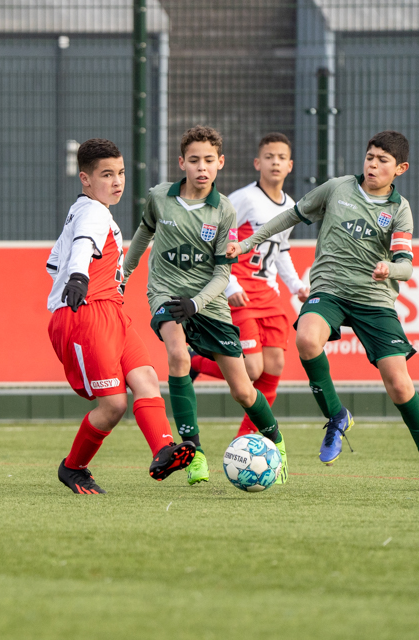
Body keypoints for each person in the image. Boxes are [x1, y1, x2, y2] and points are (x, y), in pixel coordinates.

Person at [226, 130, 419, 492]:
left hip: (374, 300)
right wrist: (249, 242)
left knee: (399, 384)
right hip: (329, 289)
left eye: (383, 160)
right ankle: (336, 416)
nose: (373, 164)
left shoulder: (399, 210)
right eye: (370, 157)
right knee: (306, 339)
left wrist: (390, 269)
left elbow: (407, 266)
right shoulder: (337, 188)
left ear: (400, 169)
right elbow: (289, 216)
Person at [122, 125, 288, 486]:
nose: (202, 167)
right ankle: (194, 454)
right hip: (165, 292)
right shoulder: (159, 197)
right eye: (194, 160)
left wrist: (196, 304)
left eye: (209, 160)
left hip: (207, 303)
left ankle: (277, 442)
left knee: (243, 388)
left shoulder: (224, 210)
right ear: (181, 162)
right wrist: (124, 272)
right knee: (178, 355)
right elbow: (143, 234)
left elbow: (222, 273)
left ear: (220, 163)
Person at [47, 138, 196, 494]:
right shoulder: (93, 213)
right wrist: (79, 277)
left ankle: (163, 449)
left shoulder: (86, 210)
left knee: (145, 376)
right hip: (86, 314)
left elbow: (53, 262)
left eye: (121, 173)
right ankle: (73, 468)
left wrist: (79, 276)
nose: (117, 182)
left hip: (110, 309)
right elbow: (82, 244)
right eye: (106, 175)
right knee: (113, 405)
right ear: (85, 179)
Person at [189, 133, 309, 438]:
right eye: (269, 157)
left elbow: (281, 250)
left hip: (269, 296)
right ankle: (197, 361)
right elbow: (219, 241)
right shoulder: (243, 199)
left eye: (281, 158)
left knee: (275, 365)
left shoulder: (291, 205)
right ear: (258, 163)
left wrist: (296, 285)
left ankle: (247, 439)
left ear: (290, 165)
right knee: (252, 369)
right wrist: (229, 285)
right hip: (241, 294)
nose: (275, 163)